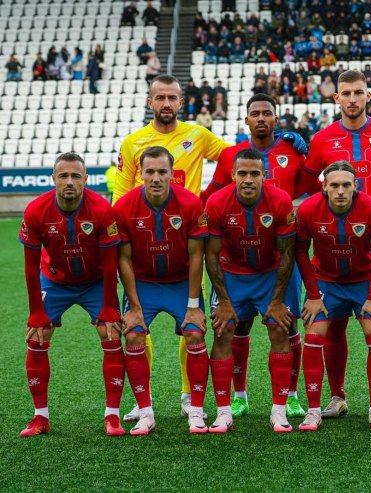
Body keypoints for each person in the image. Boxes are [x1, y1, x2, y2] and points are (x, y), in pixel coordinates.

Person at [113, 74, 230, 423]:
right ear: (150, 102)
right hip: (144, 242)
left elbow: (231, 160)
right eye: (160, 97)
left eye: (172, 98)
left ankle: (186, 394)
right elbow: (120, 194)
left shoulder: (197, 134)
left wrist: (208, 199)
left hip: (187, 238)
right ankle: (142, 399)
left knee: (191, 324)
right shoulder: (133, 143)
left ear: (181, 102)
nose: (166, 103)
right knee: (135, 325)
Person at [298, 69, 371, 420]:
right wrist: (289, 150)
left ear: (367, 95)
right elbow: (302, 183)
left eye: (358, 92)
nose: (352, 99)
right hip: (333, 246)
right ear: (336, 98)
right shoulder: (322, 139)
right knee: (335, 324)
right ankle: (337, 395)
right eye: (346, 93)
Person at [200, 94, 312, 420]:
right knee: (238, 325)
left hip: (277, 256)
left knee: (287, 328)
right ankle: (239, 396)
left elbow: (314, 186)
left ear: (277, 119)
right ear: (245, 120)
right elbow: (214, 195)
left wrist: (309, 152)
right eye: (255, 114)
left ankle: (290, 396)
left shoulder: (293, 151)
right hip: (237, 257)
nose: (261, 118)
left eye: (267, 113)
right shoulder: (229, 156)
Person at [19, 153, 124, 437]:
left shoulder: (102, 209)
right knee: (37, 336)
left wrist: (109, 308)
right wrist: (36, 313)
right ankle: (40, 417)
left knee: (111, 333)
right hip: (54, 281)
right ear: (53, 179)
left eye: (75, 176)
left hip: (95, 281)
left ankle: (112, 416)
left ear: (86, 180)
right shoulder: (35, 210)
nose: (69, 182)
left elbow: (111, 264)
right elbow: (30, 270)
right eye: (63, 176)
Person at [114, 146, 209, 435]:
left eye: (162, 172)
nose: (156, 178)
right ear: (140, 173)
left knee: (195, 331)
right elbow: (124, 259)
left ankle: (196, 410)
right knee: (133, 333)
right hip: (144, 284)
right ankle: (145, 412)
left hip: (180, 283)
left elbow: (197, 256)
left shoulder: (191, 204)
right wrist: (134, 306)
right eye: (150, 171)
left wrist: (193, 304)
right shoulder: (124, 207)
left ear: (172, 174)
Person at [204, 149, 297, 433]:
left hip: (269, 275)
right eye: (242, 173)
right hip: (230, 275)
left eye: (254, 173)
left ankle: (279, 411)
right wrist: (224, 301)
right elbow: (211, 255)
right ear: (232, 175)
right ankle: (223, 412)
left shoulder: (280, 202)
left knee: (279, 330)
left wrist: (278, 300)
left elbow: (287, 254)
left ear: (264, 176)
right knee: (223, 332)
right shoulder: (217, 202)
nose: (248, 179)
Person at [295, 161, 371, 431]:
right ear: (324, 187)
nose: (340, 191)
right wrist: (313, 296)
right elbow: (301, 251)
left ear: (355, 187)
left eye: (346, 185)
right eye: (334, 185)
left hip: (363, 283)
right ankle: (318, 407)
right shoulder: (307, 209)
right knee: (315, 336)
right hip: (327, 282)